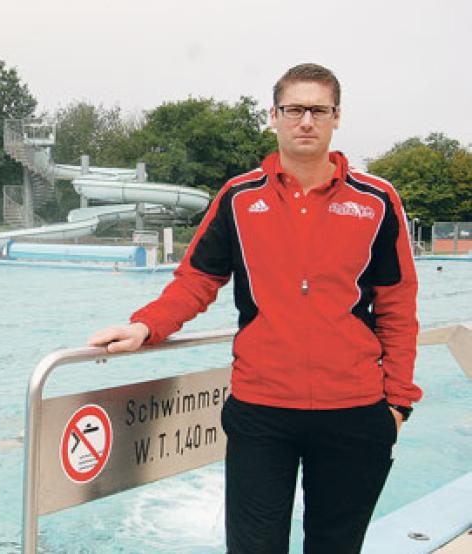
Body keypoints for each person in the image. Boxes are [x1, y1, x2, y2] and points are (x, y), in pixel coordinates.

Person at [88, 63, 420, 554]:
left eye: (318, 110)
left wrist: (398, 405)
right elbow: (197, 280)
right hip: (263, 410)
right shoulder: (240, 197)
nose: (305, 121)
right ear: (274, 115)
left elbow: (398, 305)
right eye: (294, 109)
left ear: (336, 117)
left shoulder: (376, 200)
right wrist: (146, 326)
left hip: (354, 411)